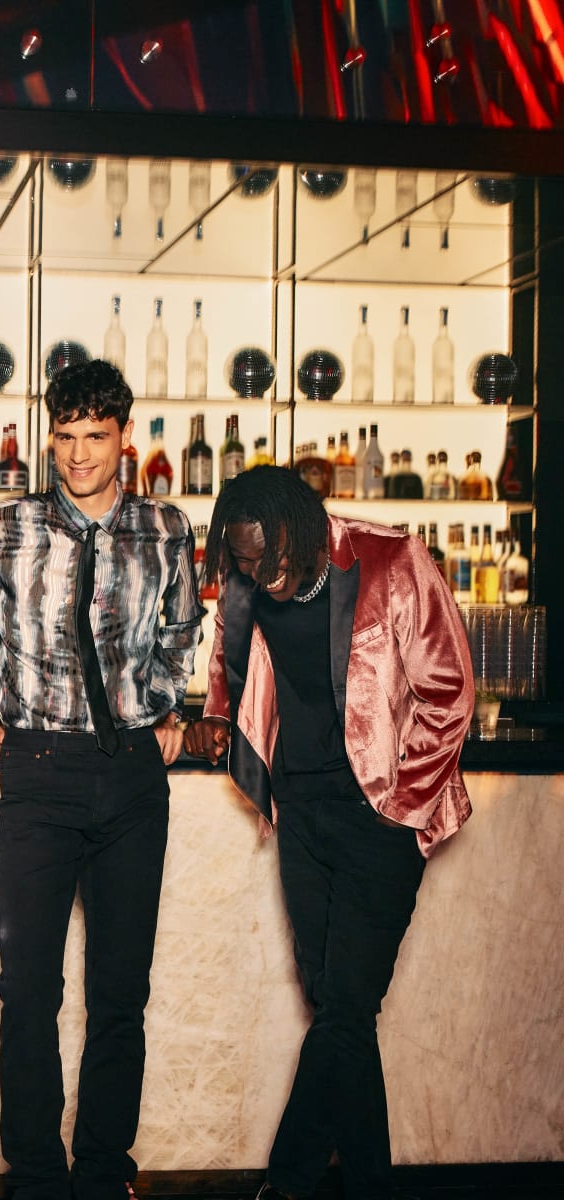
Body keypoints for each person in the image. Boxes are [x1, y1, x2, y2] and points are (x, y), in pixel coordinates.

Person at [182, 465, 473, 1200]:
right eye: (242, 560)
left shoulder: (389, 561)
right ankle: (370, 1182)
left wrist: (404, 810)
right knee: (339, 1009)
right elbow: (228, 649)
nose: (259, 574)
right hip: (301, 813)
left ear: (305, 530)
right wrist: (219, 717)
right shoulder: (249, 579)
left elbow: (449, 692)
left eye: (270, 557)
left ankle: (288, 1180)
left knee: (344, 1008)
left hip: (384, 814)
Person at [0, 359, 204, 1200]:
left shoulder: (165, 527)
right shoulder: (7, 523)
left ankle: (102, 1173)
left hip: (133, 777)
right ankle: (33, 1177)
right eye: (65, 437)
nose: (79, 455)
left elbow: (182, 625)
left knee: (119, 994)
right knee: (29, 990)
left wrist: (166, 706)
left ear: (124, 437)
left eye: (95, 437)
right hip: (39, 770)